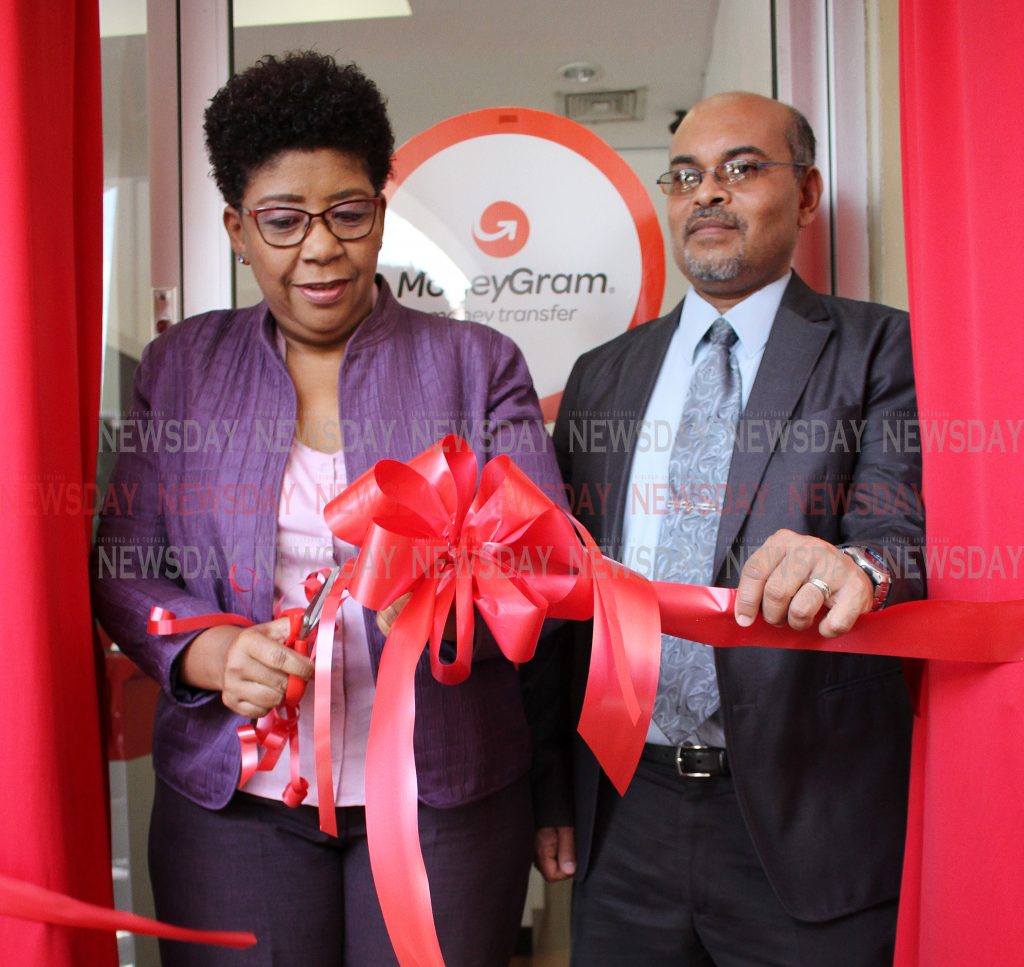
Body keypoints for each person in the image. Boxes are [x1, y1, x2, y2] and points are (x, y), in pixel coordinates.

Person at [92, 51, 563, 966]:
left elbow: (540, 560)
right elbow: (126, 563)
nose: (320, 247)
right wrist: (202, 646)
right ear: (237, 228)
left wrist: (448, 607)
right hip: (236, 803)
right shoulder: (183, 368)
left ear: (381, 213)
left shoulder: (478, 364)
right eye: (282, 220)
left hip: (443, 795)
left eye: (349, 213)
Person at [532, 91, 925, 965]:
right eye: (686, 176)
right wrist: (552, 789)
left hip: (806, 817)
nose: (707, 194)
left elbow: (900, 531)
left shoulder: (879, 349)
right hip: (626, 816)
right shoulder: (601, 378)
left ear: (808, 192)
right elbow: (568, 603)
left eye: (741, 169)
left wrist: (853, 563)